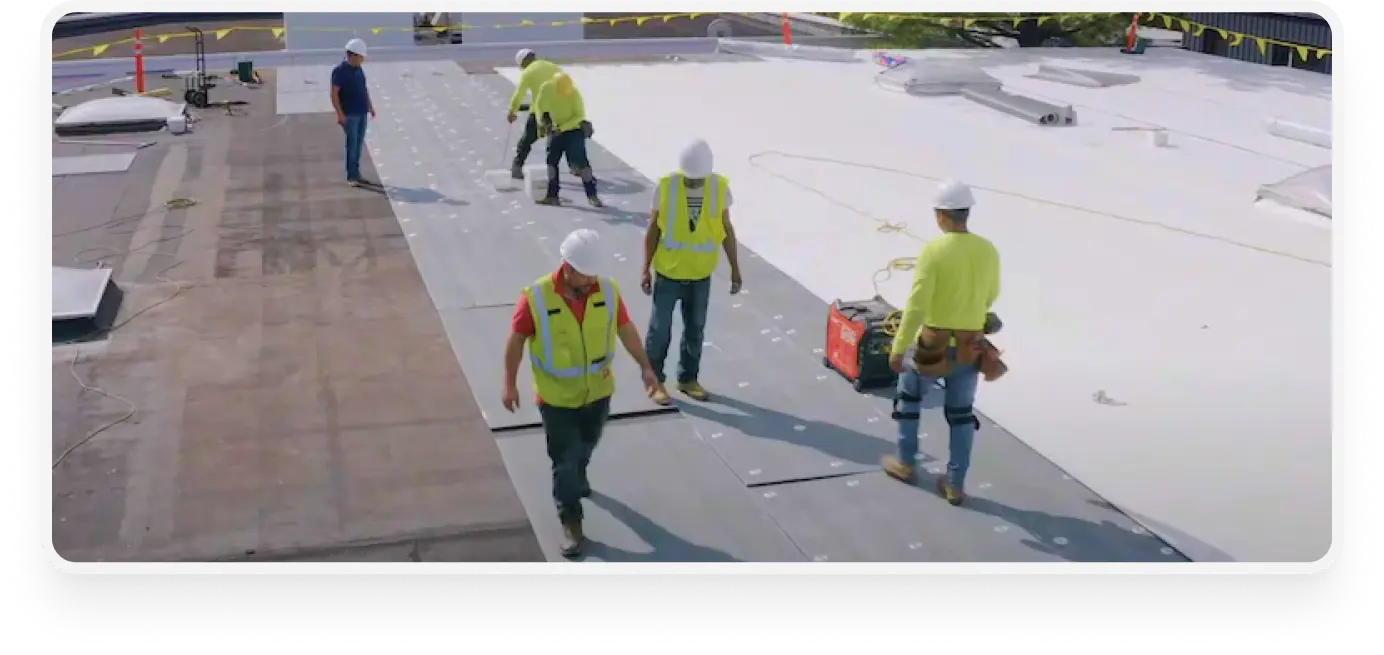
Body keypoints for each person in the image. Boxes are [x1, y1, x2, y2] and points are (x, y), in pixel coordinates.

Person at [502, 229, 662, 557]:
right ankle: (571, 521)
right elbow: (516, 339)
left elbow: (625, 328)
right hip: (557, 400)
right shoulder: (535, 297)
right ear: (568, 267)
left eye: (594, 275)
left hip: (598, 394)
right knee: (564, 460)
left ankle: (579, 472)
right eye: (585, 275)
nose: (591, 281)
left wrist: (645, 367)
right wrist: (509, 383)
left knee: (586, 445)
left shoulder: (607, 289)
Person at [880, 180, 1002, 507]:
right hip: (970, 345)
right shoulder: (988, 249)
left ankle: (906, 463)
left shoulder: (933, 251)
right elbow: (991, 295)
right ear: (966, 213)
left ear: (941, 216)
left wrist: (898, 348)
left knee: (908, 396)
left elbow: (917, 305)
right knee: (961, 415)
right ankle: (954, 484)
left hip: (933, 345)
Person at [640, 139, 743, 405]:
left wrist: (735, 268)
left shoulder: (720, 188)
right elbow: (653, 229)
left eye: (699, 180)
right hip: (668, 274)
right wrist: (645, 268)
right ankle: (655, 382)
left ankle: (688, 379)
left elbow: (726, 230)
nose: (695, 184)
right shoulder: (665, 187)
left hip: (700, 276)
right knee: (659, 330)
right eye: (691, 180)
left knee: (695, 330)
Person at [532, 73, 602, 208]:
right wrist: (542, 123)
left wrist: (562, 128)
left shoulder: (574, 93)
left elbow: (580, 116)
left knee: (581, 163)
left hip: (574, 131)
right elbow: (540, 107)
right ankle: (552, 196)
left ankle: (592, 195)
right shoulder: (547, 89)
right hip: (554, 129)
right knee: (552, 162)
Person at [506, 48, 563, 180]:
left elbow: (519, 94)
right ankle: (574, 167)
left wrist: (512, 110)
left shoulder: (528, 72)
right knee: (560, 142)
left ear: (524, 62)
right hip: (559, 110)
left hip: (541, 112)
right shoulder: (553, 67)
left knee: (527, 140)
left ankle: (517, 167)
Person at [330, 38, 377, 188]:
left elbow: (363, 88)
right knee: (352, 145)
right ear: (353, 55)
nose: (362, 60)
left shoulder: (358, 69)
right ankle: (351, 176)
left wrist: (370, 106)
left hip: (361, 111)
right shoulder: (339, 71)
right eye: (361, 57)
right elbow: (334, 94)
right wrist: (340, 114)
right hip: (349, 114)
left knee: (358, 144)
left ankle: (356, 173)